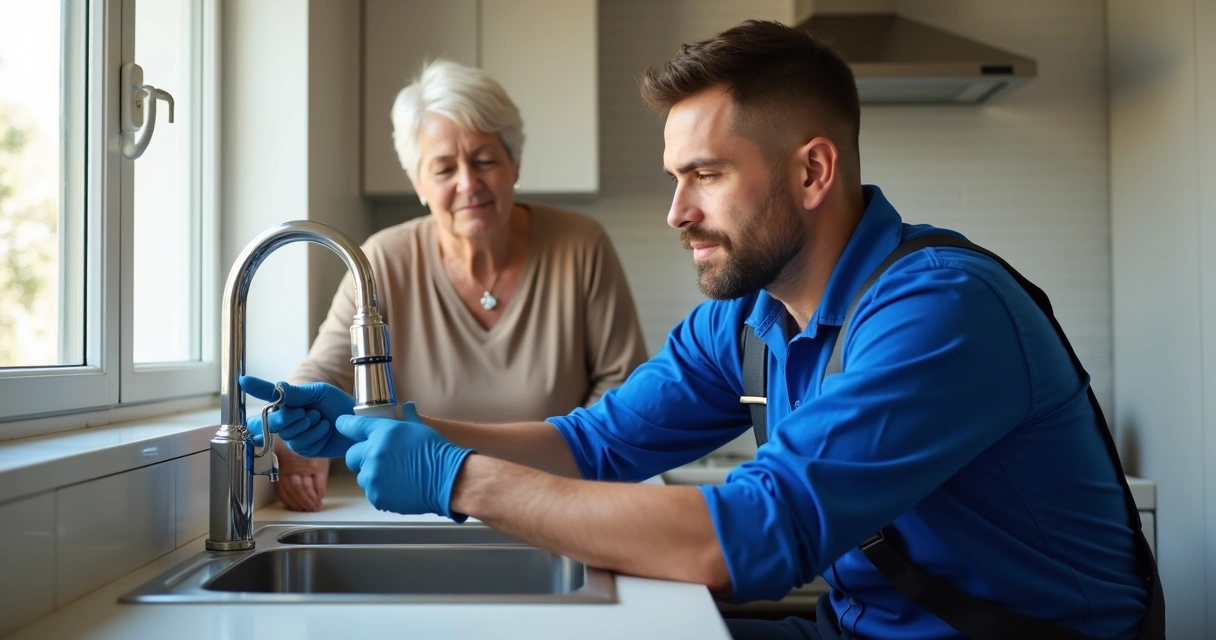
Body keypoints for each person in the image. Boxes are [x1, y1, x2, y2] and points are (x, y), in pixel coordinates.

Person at [243, 21, 1162, 640]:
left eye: (707, 175)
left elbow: (746, 538)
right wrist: (390, 426)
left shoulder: (940, 312)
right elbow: (596, 443)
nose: (677, 212)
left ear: (812, 172)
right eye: (675, 177)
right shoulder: (746, 317)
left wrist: (458, 479)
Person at [254, 58, 648, 512]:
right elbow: (324, 371)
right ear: (418, 182)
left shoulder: (581, 245)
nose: (468, 184)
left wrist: (562, 473)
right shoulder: (383, 259)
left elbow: (623, 387)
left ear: (516, 164)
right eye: (443, 169)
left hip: (555, 498)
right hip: (424, 500)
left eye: (485, 161)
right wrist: (301, 442)